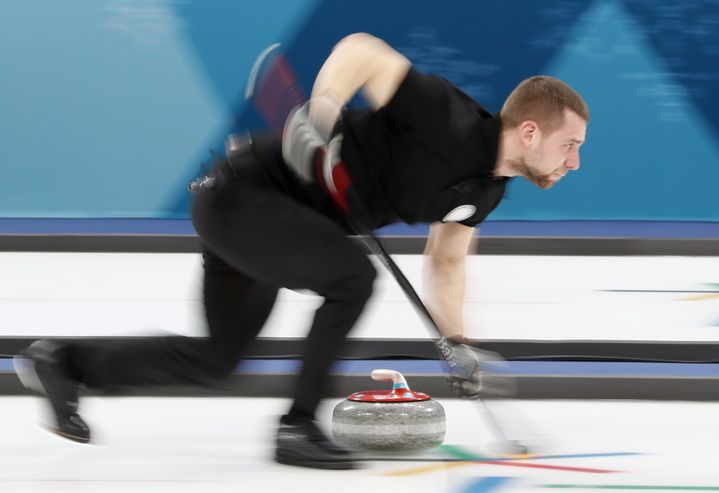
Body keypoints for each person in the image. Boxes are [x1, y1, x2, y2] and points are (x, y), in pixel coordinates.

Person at [16, 33, 588, 470]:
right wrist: (320, 114)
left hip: (275, 224)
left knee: (218, 360)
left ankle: (62, 363)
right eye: (570, 146)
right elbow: (362, 52)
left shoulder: (485, 192)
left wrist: (459, 345)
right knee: (353, 279)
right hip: (240, 194)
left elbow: (445, 261)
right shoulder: (446, 115)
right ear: (531, 132)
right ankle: (298, 426)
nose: (574, 162)